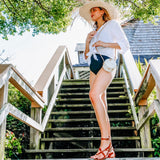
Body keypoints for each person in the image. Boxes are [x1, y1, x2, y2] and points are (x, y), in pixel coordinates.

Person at [79, 1, 130, 159]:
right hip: (93, 66)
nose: (92, 13)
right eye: (91, 11)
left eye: (95, 10)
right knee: (99, 103)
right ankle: (110, 150)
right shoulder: (94, 31)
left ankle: (104, 143)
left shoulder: (112, 25)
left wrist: (104, 43)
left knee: (93, 95)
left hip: (107, 64)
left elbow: (125, 45)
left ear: (102, 12)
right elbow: (87, 56)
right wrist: (88, 41)